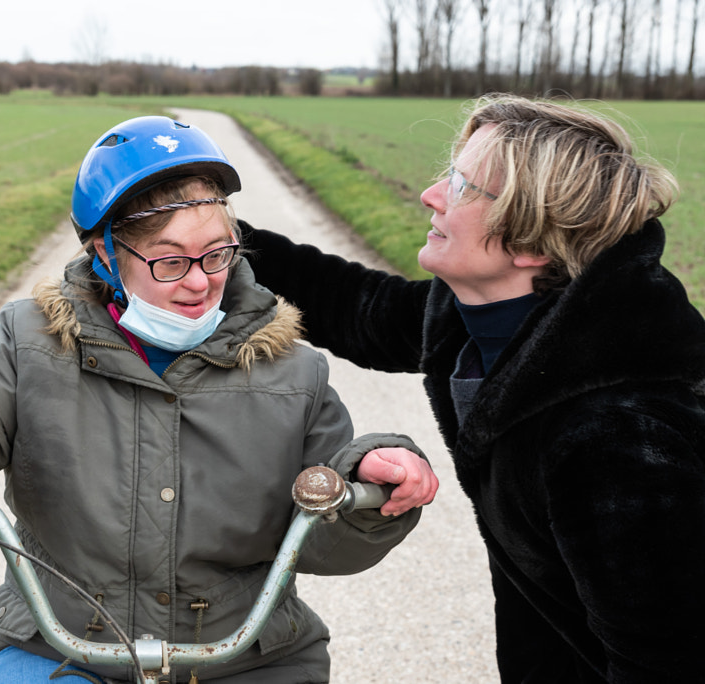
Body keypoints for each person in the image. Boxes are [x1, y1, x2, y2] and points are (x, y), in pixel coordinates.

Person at [0, 115, 438, 684]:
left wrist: (367, 485)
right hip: (60, 646)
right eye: (169, 261)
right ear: (104, 252)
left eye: (217, 254)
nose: (199, 281)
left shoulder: (294, 372)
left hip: (247, 659)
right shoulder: (31, 343)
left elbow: (326, 530)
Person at [239, 93, 705, 682]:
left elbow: (668, 661)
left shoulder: (619, 436)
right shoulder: (491, 316)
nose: (430, 195)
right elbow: (360, 309)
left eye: (462, 187)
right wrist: (217, 236)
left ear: (532, 242)